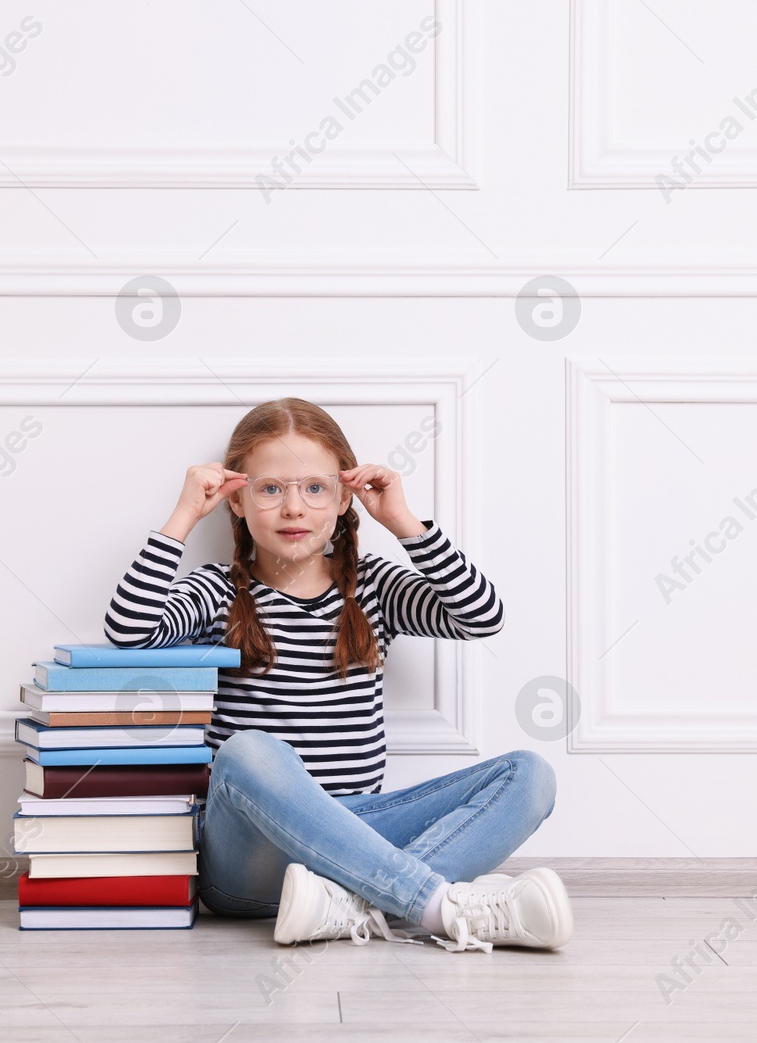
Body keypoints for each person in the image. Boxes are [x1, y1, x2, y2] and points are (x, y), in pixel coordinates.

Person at [103, 397, 572, 953]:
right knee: (248, 751)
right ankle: (434, 905)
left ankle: (348, 908)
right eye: (271, 489)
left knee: (530, 774)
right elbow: (129, 630)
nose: (293, 508)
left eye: (314, 488)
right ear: (237, 501)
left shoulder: (372, 587)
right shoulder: (220, 590)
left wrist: (403, 521)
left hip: (359, 832)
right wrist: (183, 515)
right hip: (249, 859)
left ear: (344, 496)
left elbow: (481, 616)